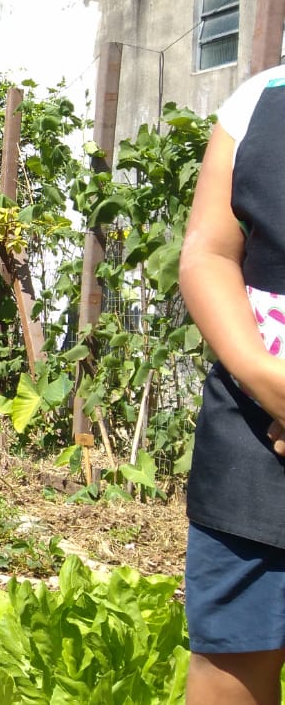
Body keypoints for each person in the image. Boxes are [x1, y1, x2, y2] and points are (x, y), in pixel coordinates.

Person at [179, 62, 285, 702]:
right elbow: (210, 251)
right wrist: (263, 377)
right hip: (253, 439)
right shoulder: (258, 103)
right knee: (231, 663)